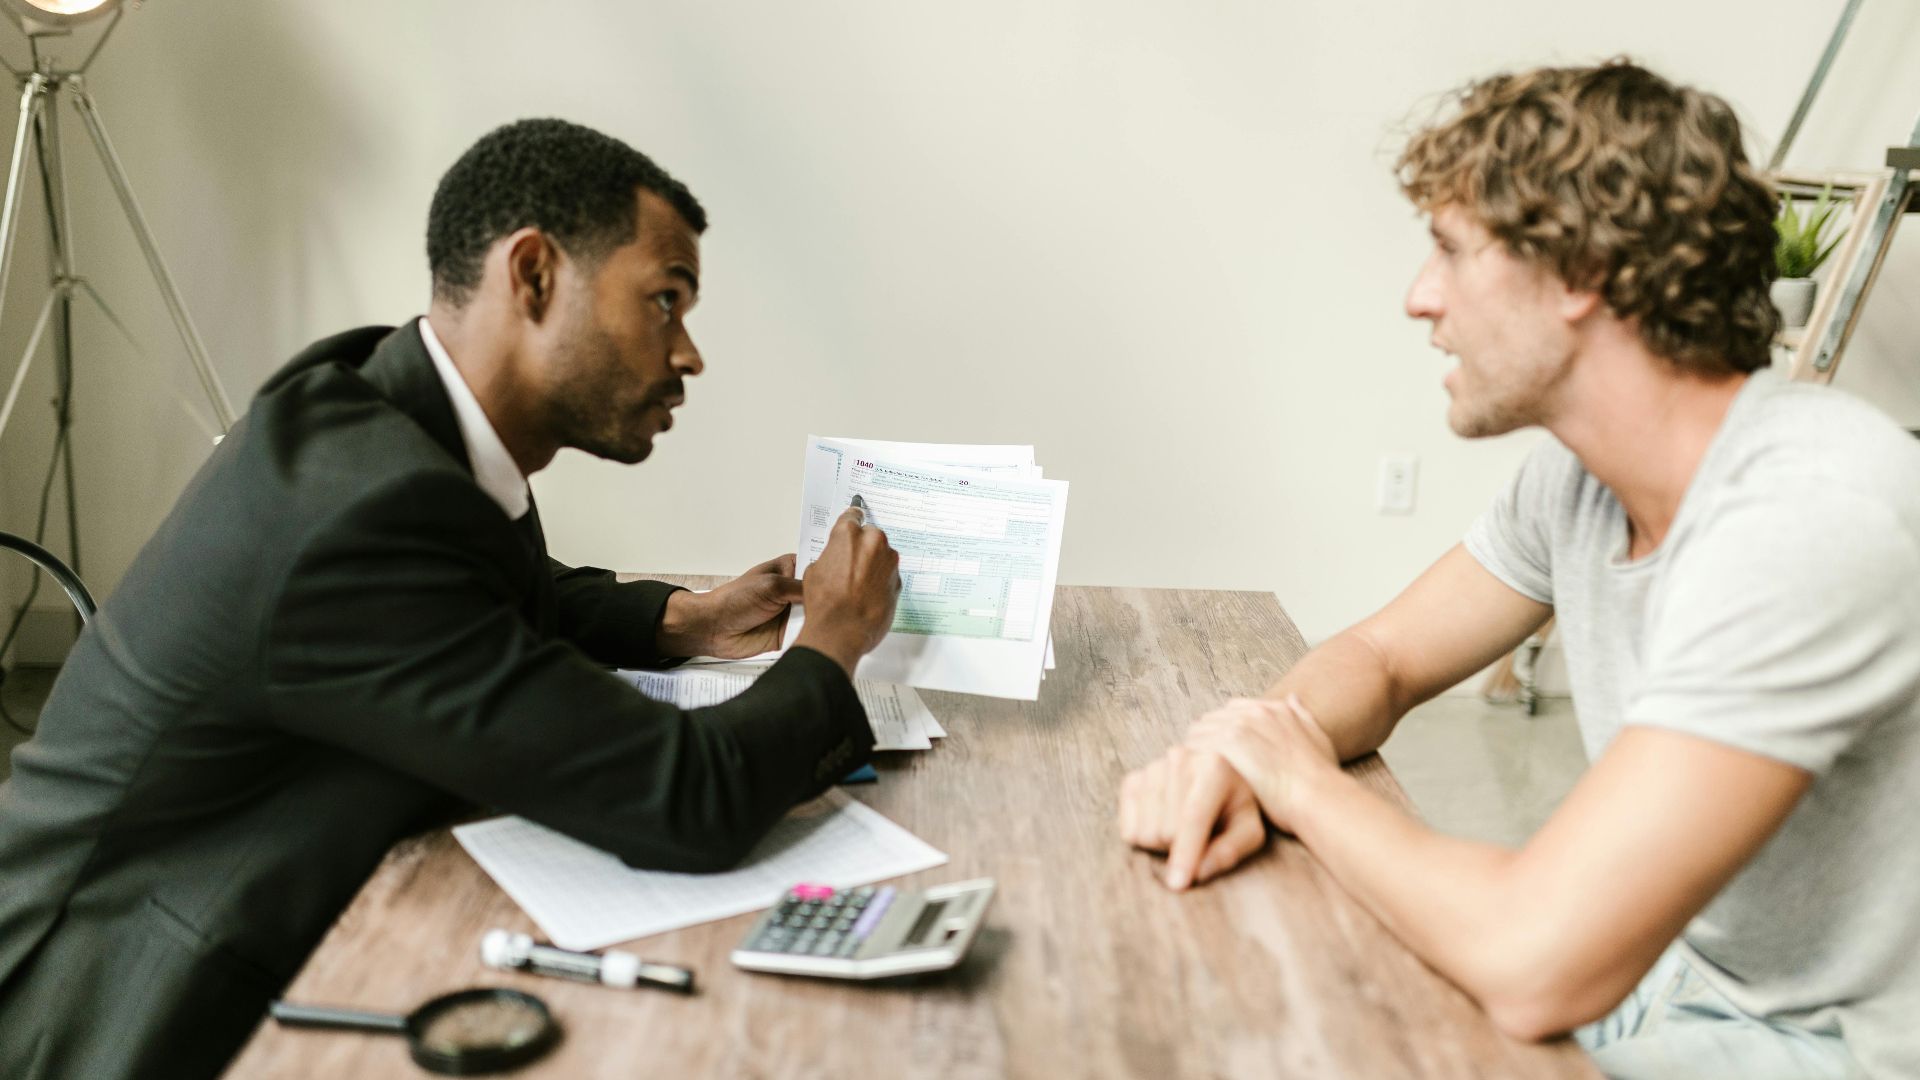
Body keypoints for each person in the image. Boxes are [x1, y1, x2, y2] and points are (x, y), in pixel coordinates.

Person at [0, 118, 902, 1080]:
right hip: (105, 1008)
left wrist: (676, 620)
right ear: (535, 276)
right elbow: (687, 798)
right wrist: (833, 643)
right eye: (665, 301)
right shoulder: (364, 511)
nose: (689, 354)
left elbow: (457, 592)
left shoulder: (376, 400)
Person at [1118, 60, 1918, 1079]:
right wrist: (1246, 750)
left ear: (1581, 272)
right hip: (1674, 982)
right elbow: (1386, 657)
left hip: (1835, 1049)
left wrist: (1300, 783)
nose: (1419, 297)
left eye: (1451, 251)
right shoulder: (1576, 482)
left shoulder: (1815, 513)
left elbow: (1536, 959)